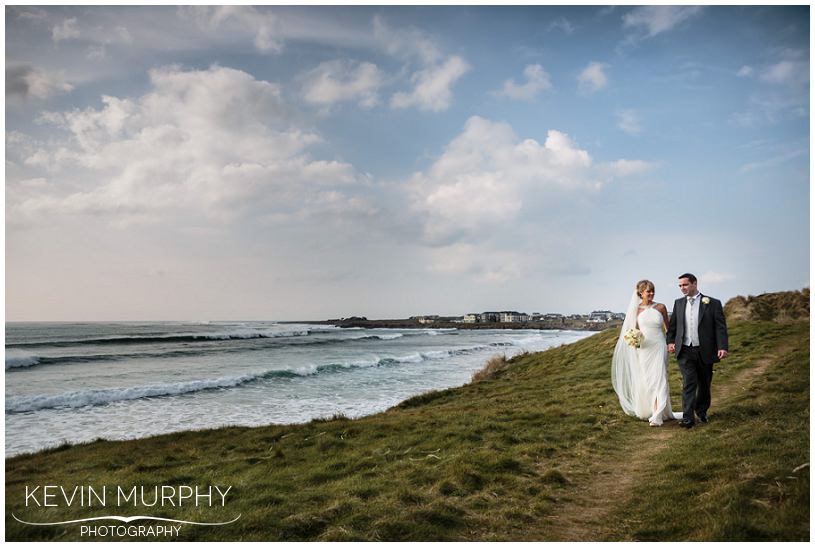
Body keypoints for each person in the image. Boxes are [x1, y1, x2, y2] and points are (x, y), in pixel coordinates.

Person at [612, 279, 682, 426]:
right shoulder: (636, 310)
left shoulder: (661, 307)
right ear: (640, 293)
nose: (651, 293)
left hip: (658, 346)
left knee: (660, 378)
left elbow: (669, 329)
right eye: (648, 291)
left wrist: (671, 343)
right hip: (644, 349)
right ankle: (657, 410)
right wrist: (634, 342)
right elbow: (633, 331)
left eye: (652, 290)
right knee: (649, 380)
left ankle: (657, 415)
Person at [666, 273, 729, 429]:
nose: (682, 288)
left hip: (705, 350)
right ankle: (688, 418)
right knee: (689, 383)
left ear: (694, 283)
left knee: (704, 384)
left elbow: (720, 328)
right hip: (685, 350)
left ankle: (701, 412)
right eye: (680, 285)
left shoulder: (712, 303)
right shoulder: (678, 303)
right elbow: (673, 327)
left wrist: (722, 347)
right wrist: (671, 342)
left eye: (685, 285)